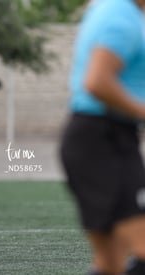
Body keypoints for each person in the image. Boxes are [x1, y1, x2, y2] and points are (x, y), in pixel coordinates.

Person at [59, 0, 145, 274]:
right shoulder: (123, 17)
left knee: (110, 264)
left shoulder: (112, 8)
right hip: (102, 142)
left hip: (100, 139)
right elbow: (97, 81)